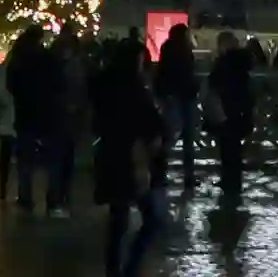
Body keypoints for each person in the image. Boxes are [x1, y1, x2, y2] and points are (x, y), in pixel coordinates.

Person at [91, 35, 166, 277]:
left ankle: (114, 270)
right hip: (131, 158)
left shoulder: (104, 84)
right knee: (150, 219)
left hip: (109, 154)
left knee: (118, 218)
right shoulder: (134, 89)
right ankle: (129, 270)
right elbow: (150, 124)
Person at [5, 24, 69, 213]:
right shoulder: (49, 59)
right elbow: (59, 84)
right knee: (53, 161)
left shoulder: (18, 60)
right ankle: (53, 201)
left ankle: (25, 198)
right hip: (49, 114)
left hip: (25, 113)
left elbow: (11, 85)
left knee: (26, 161)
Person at [206, 30, 257, 208]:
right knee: (234, 149)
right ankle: (234, 182)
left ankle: (229, 181)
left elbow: (214, 82)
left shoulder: (224, 63)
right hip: (240, 110)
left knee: (228, 149)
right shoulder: (243, 62)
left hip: (226, 109)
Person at [154, 23, 200, 178]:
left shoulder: (168, 48)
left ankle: (161, 172)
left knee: (170, 135)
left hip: (173, 95)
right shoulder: (185, 50)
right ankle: (189, 175)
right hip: (184, 95)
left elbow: (162, 72)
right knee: (187, 137)